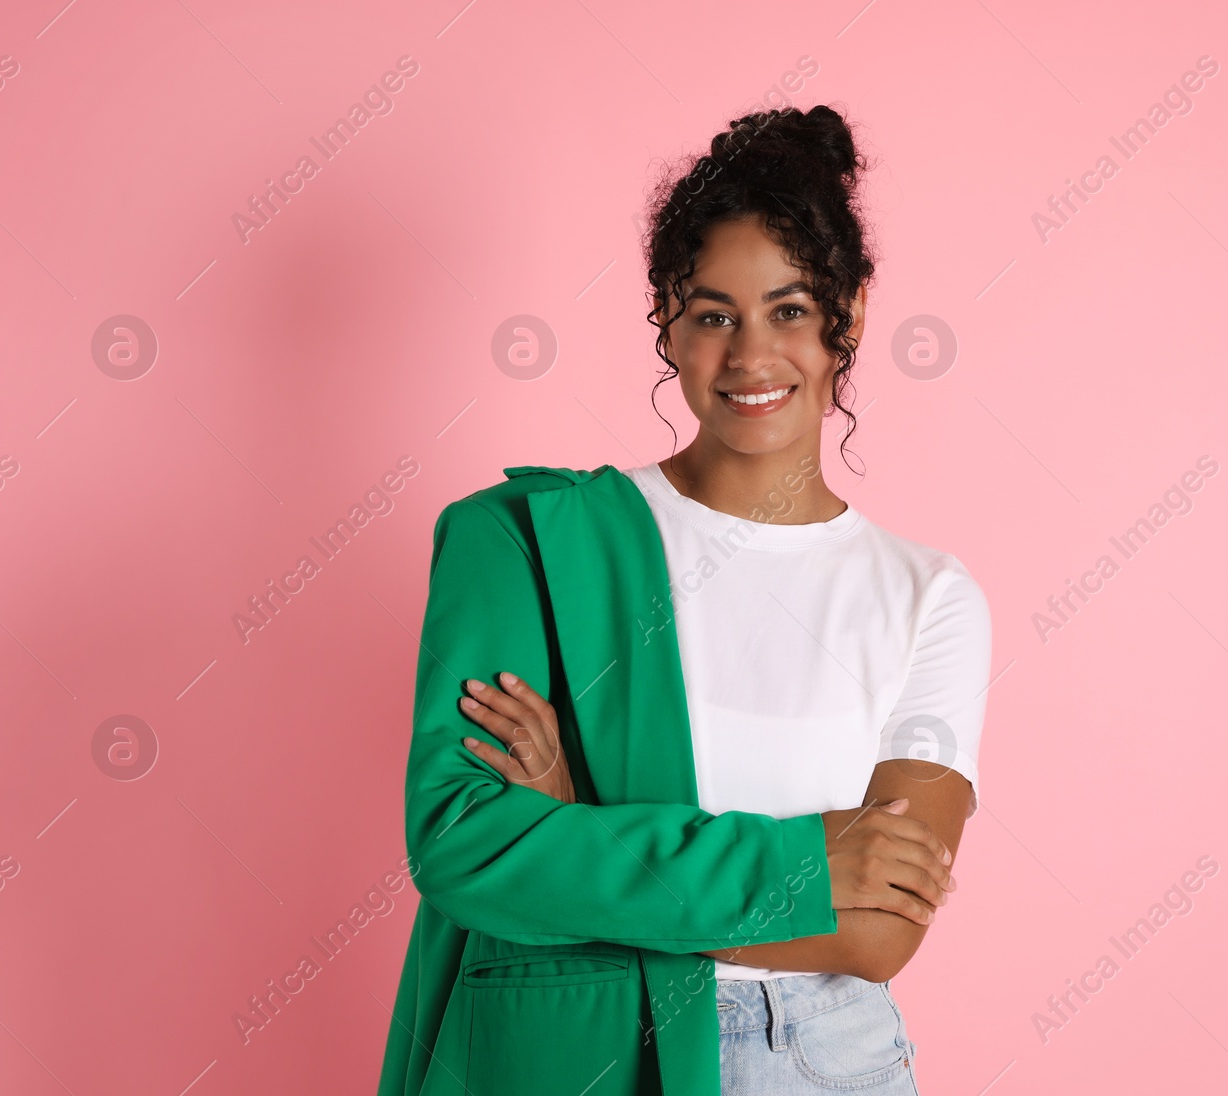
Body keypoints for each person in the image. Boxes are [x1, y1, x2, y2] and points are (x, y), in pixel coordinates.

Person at [376, 104, 992, 1096]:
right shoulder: (526, 541)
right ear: (667, 313)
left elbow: (878, 931)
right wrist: (800, 860)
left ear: (853, 309)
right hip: (585, 1052)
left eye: (789, 310)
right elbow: (463, 844)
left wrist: (583, 826)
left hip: (828, 1062)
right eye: (714, 315)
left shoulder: (929, 596)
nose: (751, 357)